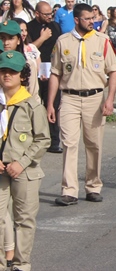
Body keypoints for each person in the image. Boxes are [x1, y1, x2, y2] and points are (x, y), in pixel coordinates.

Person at [47, 3, 116, 206]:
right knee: (69, 144)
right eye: (87, 19)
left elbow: (113, 71)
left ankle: (93, 186)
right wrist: (50, 103)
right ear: (77, 20)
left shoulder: (102, 40)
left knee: (93, 144)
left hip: (95, 98)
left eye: (93, 18)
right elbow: (55, 73)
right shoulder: (63, 41)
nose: (91, 22)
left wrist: (110, 99)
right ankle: (69, 190)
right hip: (69, 98)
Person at [0, 50, 50, 271]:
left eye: (12, 72)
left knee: (24, 219)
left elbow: (43, 139)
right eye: (3, 71)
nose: (7, 75)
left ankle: (21, 264)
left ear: (22, 75)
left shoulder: (32, 105)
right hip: (1, 169)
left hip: (25, 170)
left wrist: (22, 162)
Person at [27, 2, 62, 154]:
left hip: (51, 71)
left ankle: (54, 141)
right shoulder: (29, 28)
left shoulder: (55, 26)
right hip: (34, 72)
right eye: (46, 14)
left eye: (51, 14)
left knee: (53, 104)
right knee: (35, 106)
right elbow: (28, 49)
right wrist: (42, 38)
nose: (49, 17)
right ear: (37, 14)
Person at [1, 20, 40, 99]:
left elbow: (33, 94)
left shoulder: (28, 63)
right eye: (2, 38)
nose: (6, 43)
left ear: (18, 40)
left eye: (11, 38)